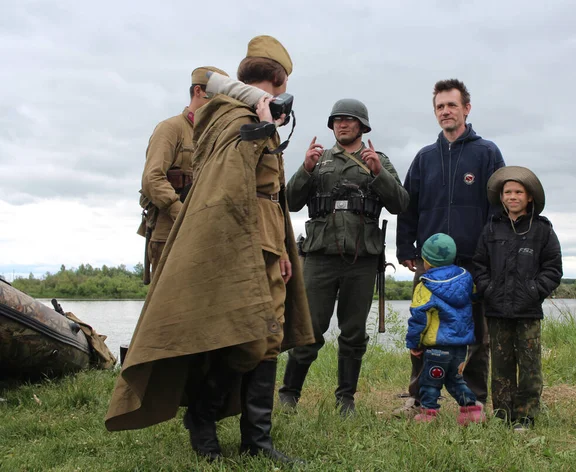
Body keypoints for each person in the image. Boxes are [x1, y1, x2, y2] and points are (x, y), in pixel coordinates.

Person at [105, 35, 314, 466]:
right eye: (284, 83)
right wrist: (260, 129)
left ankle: (257, 439)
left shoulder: (258, 118)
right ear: (276, 80)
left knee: (269, 338)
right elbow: (229, 190)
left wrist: (282, 253)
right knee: (241, 341)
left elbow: (270, 193)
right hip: (240, 242)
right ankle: (202, 418)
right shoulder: (234, 118)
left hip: (267, 240)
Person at [279, 99, 409, 414]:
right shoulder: (318, 160)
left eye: (349, 120)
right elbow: (290, 202)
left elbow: (401, 203)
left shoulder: (377, 159)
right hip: (319, 257)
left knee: (353, 332)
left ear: (362, 126)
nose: (342, 124)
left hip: (362, 259)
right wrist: (305, 169)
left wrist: (379, 173)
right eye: (337, 120)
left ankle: (345, 399)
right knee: (308, 328)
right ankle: (288, 394)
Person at [396, 79, 505, 411]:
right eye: (440, 106)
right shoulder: (424, 157)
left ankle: (474, 400)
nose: (445, 111)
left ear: (466, 109)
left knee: (475, 335)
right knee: (424, 329)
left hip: (473, 261)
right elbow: (408, 206)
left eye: (451, 105)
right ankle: (419, 399)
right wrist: (406, 249)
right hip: (430, 265)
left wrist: (492, 253)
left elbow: (497, 208)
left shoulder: (486, 153)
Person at [473, 166, 562, 430]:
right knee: (501, 367)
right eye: (508, 192)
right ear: (501, 197)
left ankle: (525, 415)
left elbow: (553, 269)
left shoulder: (543, 230)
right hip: (497, 310)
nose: (513, 196)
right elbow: (479, 265)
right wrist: (488, 289)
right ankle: (502, 414)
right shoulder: (490, 229)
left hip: (528, 312)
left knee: (530, 366)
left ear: (530, 197)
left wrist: (534, 292)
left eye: (519, 192)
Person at [139, 65, 227, 282]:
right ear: (198, 91)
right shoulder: (171, 129)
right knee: (166, 305)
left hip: (205, 230)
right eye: (215, 97)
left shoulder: (216, 136)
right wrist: (179, 212)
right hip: (169, 228)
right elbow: (152, 178)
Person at [406, 233, 485, 425]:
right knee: (455, 380)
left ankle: (428, 414)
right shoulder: (465, 278)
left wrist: (414, 343)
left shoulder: (425, 285)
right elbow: (474, 297)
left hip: (437, 346)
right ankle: (471, 410)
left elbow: (419, 318)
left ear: (426, 261)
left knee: (430, 382)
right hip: (460, 347)